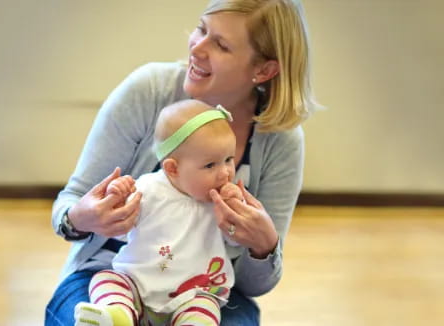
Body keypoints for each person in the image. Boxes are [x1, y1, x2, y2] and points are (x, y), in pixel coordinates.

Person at [46, 0, 319, 325]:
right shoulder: (148, 91)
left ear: (263, 70)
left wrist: (263, 247)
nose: (197, 48)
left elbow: (253, 286)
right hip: (111, 277)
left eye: (221, 45)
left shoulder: (280, 141)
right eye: (202, 29)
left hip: (204, 295)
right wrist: (81, 218)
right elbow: (70, 203)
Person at [74, 99, 244, 326]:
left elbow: (236, 243)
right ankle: (118, 316)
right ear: (172, 169)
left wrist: (236, 215)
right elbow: (118, 229)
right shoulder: (147, 190)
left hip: (192, 294)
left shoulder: (224, 201)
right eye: (210, 165)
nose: (225, 173)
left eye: (228, 160)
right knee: (105, 279)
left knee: (206, 306)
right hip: (138, 287)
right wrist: (116, 199)